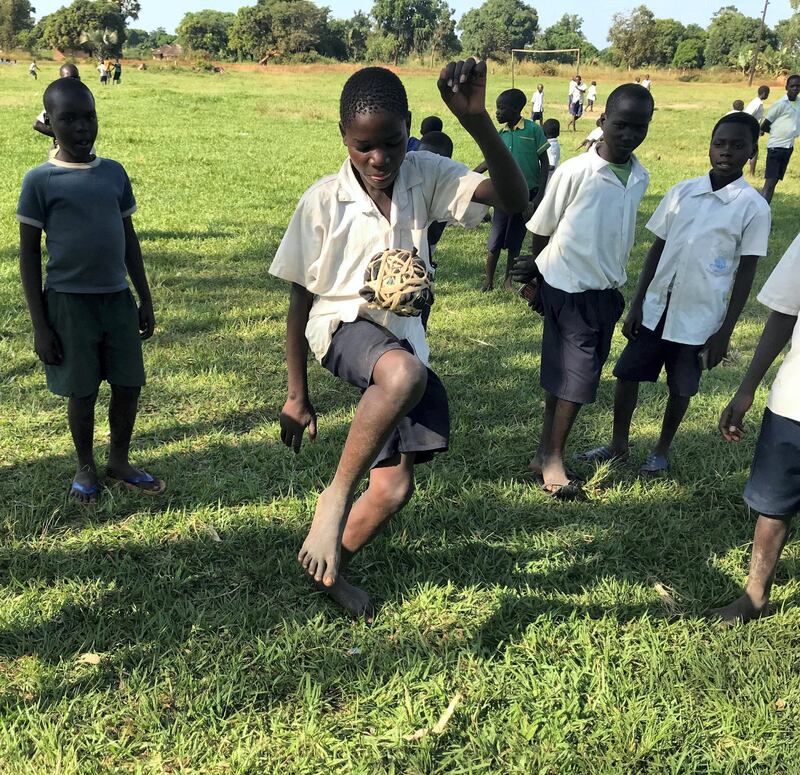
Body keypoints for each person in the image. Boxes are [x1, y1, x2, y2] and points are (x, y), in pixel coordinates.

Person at [270, 61, 528, 618]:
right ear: (344, 137)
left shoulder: (425, 174)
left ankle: (326, 567)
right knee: (402, 375)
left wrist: (480, 122)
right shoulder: (321, 201)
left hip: (404, 340)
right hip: (341, 326)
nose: (379, 159)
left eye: (391, 143)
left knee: (392, 489)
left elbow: (513, 198)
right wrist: (296, 392)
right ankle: (333, 498)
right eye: (364, 146)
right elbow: (297, 300)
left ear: (408, 127)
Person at [577, 112, 770, 477]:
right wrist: (637, 304)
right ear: (709, 147)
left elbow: (746, 272)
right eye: (719, 143)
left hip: (699, 316)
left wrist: (724, 332)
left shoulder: (752, 207)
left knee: (681, 386)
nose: (726, 151)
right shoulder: (682, 191)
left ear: (751, 151)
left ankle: (661, 450)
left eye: (737, 145)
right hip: (655, 308)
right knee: (627, 374)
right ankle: (618, 445)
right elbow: (656, 250)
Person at [16, 78, 161, 505]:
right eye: (69, 119)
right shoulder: (40, 181)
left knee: (128, 384)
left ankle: (119, 459)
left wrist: (144, 296)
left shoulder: (113, 173)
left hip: (115, 298)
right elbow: (28, 257)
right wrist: (41, 325)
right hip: (68, 303)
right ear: (50, 123)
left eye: (89, 118)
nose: (82, 128)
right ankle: (85, 465)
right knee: (82, 392)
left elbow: (129, 240)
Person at [511, 84, 654, 500]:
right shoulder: (575, 171)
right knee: (576, 378)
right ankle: (554, 459)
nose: (628, 134)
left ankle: (544, 453)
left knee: (563, 375)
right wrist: (537, 280)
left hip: (604, 293)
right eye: (621, 124)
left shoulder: (640, 175)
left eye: (639, 127)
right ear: (603, 121)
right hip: (567, 287)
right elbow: (541, 228)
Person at [706, 233, 800, 625]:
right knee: (772, 506)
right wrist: (747, 389)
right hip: (795, 400)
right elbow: (784, 312)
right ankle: (755, 595)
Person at [477, 88, 549, 292]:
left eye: (502, 108)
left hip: (527, 196)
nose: (497, 112)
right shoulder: (499, 134)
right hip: (502, 195)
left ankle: (508, 281)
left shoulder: (532, 130)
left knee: (515, 240)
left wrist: (540, 194)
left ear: (517, 109)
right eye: (497, 108)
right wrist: (471, 174)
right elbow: (490, 161)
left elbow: (545, 162)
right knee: (495, 240)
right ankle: (488, 281)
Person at [416, 130, 455, 330]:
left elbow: (433, 235)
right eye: (421, 158)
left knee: (420, 312)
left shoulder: (443, 196)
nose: (426, 166)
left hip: (422, 265)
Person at [761, 74, 800, 204]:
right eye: (792, 86)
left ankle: (764, 210)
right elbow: (765, 125)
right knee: (770, 182)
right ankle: (760, 213)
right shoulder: (780, 104)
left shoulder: (798, 103)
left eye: (798, 86)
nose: (795, 88)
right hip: (776, 147)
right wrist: (777, 133)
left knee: (775, 181)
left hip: (788, 147)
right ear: (786, 87)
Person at [33, 64, 81, 143]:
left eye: (74, 78)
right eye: (67, 79)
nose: (71, 82)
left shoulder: (84, 97)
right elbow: (38, 124)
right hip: (65, 149)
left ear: (79, 79)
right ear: (61, 80)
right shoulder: (60, 99)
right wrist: (63, 137)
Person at [745, 85, 770, 177]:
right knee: (754, 151)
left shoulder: (757, 102)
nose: (768, 96)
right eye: (768, 93)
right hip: (751, 130)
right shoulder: (757, 103)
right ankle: (752, 174)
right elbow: (748, 115)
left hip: (753, 129)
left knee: (751, 150)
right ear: (764, 93)